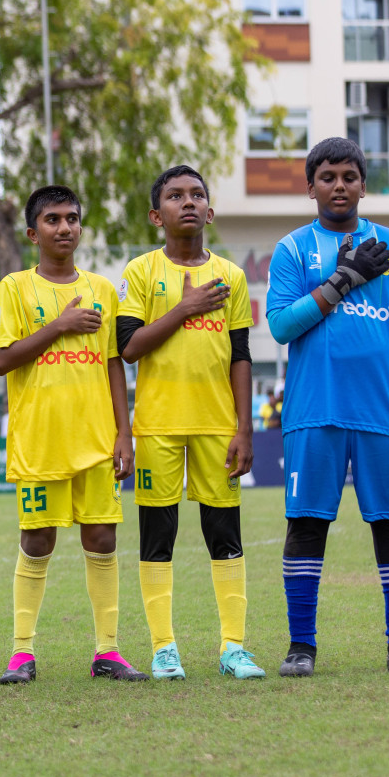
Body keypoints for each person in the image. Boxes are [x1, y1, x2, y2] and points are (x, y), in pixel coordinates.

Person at [267, 137, 389, 677]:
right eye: (327, 177)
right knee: (307, 523)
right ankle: (301, 646)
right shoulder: (293, 249)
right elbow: (280, 325)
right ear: (310, 186)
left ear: (364, 183)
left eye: (348, 176)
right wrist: (344, 278)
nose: (338, 186)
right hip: (314, 413)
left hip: (384, 415)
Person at [0, 185, 145, 684]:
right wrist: (58, 326)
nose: (64, 227)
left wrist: (125, 434)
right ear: (33, 232)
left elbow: (114, 364)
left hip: (96, 440)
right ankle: (22, 653)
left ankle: (109, 651)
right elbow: (1, 359)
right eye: (52, 220)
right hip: (40, 441)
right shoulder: (14, 287)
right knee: (38, 540)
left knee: (102, 537)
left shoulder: (102, 288)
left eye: (72, 218)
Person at [116, 165, 263, 681]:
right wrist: (185, 307)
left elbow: (239, 355)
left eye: (197, 194)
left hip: (218, 426)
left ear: (210, 210)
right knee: (159, 537)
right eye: (176, 196)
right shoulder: (140, 273)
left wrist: (244, 429)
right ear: (158, 215)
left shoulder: (232, 276)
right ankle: (164, 648)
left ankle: (233, 647)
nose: (188, 202)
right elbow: (129, 348)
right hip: (157, 425)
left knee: (224, 533)